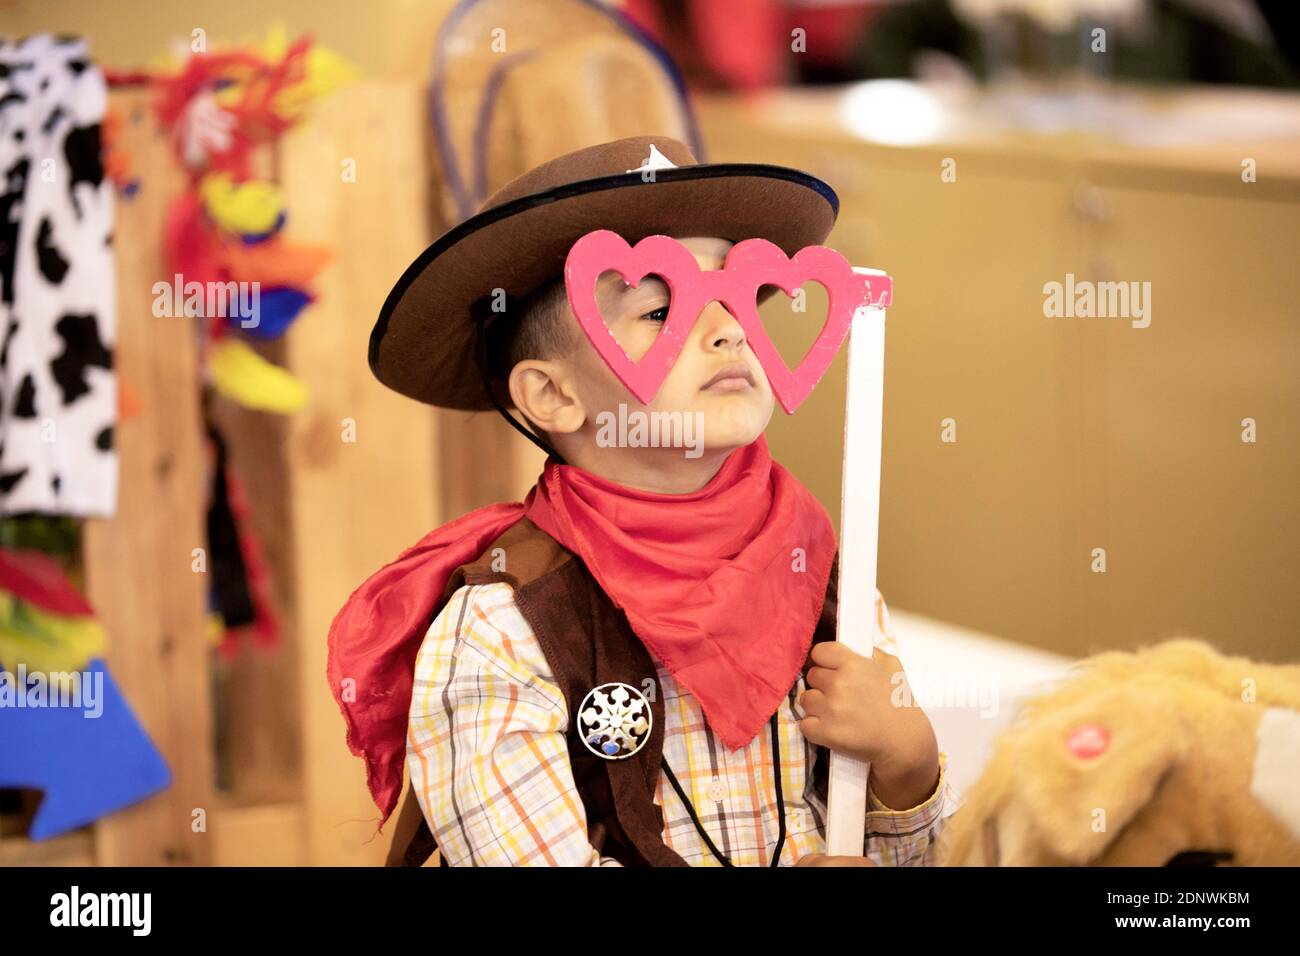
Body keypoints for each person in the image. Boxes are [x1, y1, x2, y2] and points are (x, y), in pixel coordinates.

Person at [327, 135, 958, 866]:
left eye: (734, 300)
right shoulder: (505, 631)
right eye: (662, 313)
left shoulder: (824, 579)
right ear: (553, 396)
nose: (728, 331)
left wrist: (907, 766)